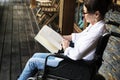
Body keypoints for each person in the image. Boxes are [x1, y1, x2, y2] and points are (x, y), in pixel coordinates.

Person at [18, 0, 112, 80]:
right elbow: (80, 36)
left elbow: (76, 55)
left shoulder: (96, 32)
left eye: (85, 12)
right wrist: (63, 37)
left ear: (96, 14)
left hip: (75, 66)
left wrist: (66, 47)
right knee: (36, 55)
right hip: (76, 63)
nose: (83, 16)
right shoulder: (96, 25)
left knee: (32, 62)